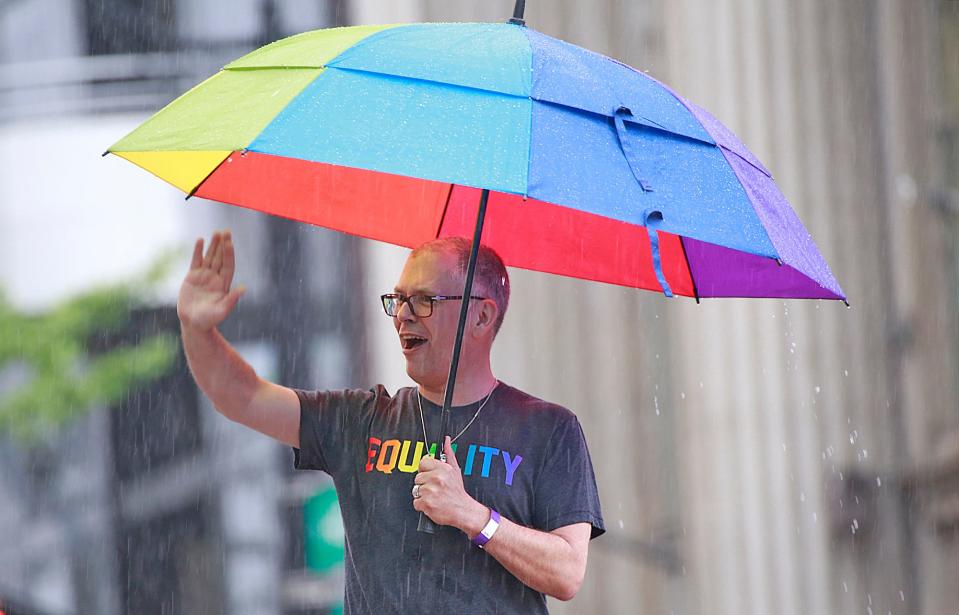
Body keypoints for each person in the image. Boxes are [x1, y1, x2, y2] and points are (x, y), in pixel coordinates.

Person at [178, 229, 605, 614]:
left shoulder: (548, 430)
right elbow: (242, 396)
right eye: (398, 300)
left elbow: (567, 572)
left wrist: (473, 516)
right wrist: (198, 332)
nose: (403, 315)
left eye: (424, 300)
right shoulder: (361, 420)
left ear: (482, 316)